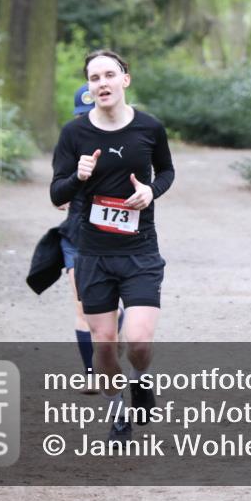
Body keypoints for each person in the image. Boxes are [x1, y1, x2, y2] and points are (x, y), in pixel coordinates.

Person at [50, 50, 175, 443]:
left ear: (125, 80)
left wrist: (151, 192)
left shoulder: (149, 128)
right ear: (88, 87)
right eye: (93, 77)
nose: (101, 83)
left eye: (109, 75)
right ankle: (118, 410)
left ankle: (141, 379)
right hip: (93, 254)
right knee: (104, 342)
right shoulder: (74, 135)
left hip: (140, 251)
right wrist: (77, 176)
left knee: (137, 340)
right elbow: (57, 193)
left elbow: (167, 170)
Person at [55, 84, 122, 393]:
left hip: (115, 237)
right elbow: (56, 195)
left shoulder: (126, 145)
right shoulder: (70, 146)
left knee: (113, 308)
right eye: (83, 115)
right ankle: (93, 372)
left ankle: (109, 354)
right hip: (77, 237)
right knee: (83, 305)